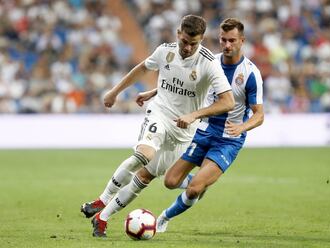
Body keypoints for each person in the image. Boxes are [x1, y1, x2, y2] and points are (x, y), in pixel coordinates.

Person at [80, 14, 235, 237]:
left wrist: (195, 115)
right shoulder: (165, 51)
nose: (188, 48)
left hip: (183, 132)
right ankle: (101, 200)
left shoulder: (209, 63)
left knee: (144, 177)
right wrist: (115, 92)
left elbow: (227, 101)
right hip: (160, 114)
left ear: (201, 39)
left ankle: (101, 220)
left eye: (194, 43)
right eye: (185, 42)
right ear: (178, 34)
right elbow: (142, 69)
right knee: (144, 154)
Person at [155, 18, 265, 233]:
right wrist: (154, 92)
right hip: (203, 131)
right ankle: (199, 183)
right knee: (170, 181)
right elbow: (182, 85)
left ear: (242, 41)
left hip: (228, 140)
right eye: (223, 40)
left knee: (194, 188)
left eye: (232, 40)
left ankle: (164, 217)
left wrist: (242, 128)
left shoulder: (251, 73)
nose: (227, 45)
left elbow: (259, 115)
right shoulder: (208, 62)